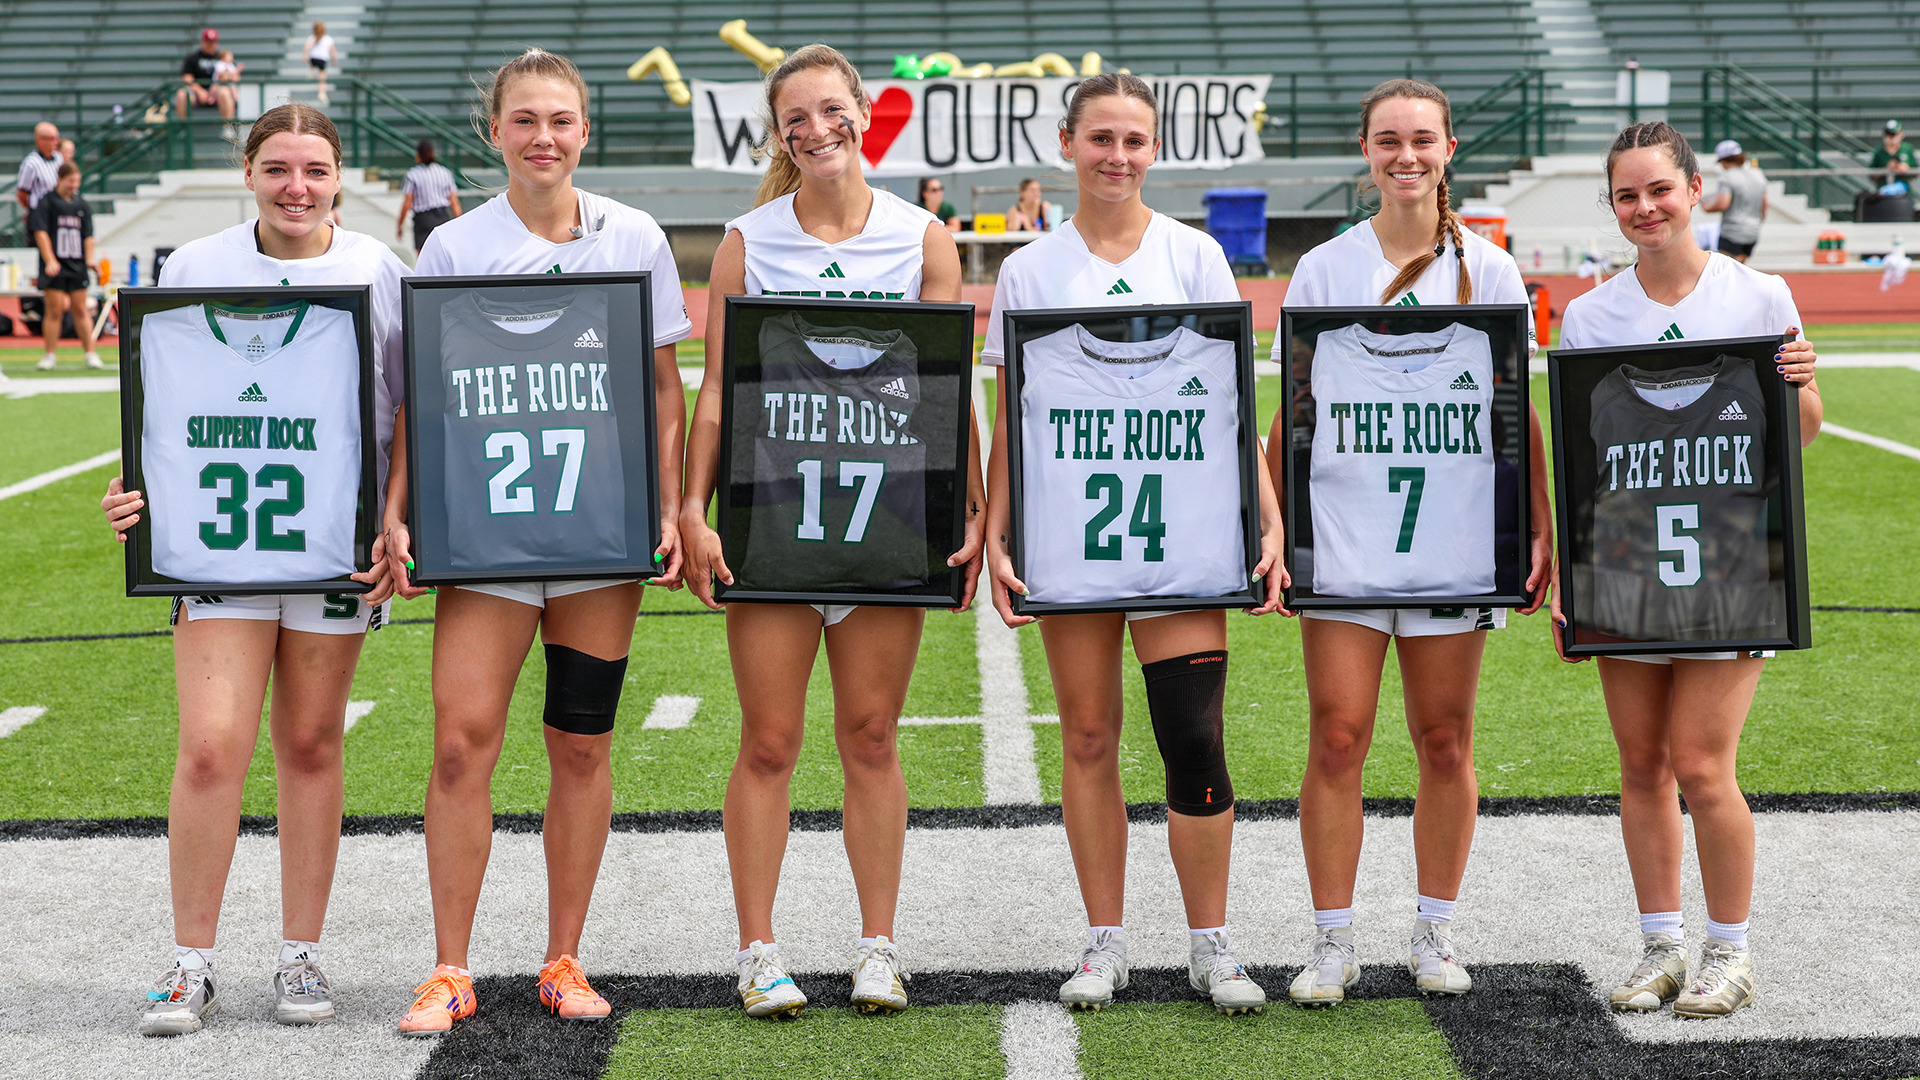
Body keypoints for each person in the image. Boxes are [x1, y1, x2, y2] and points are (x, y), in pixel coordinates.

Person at [381, 47, 692, 1037]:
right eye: (526, 120)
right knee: (462, 741)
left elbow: (659, 391)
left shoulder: (633, 235)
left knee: (582, 742)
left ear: (583, 131)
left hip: (599, 534)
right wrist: (404, 513)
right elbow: (419, 405)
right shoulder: (455, 249)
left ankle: (563, 955)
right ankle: (450, 965)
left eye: (560, 120)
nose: (544, 137)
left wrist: (670, 507)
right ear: (497, 132)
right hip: (489, 536)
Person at [679, 43, 983, 1021]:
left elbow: (949, 395)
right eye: (795, 118)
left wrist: (968, 513)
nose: (817, 130)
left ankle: (877, 949)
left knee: (872, 734)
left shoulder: (922, 240)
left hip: (887, 521)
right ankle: (758, 950)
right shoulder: (748, 241)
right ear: (777, 134)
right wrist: (693, 507)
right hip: (774, 518)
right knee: (769, 740)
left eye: (832, 110)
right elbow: (721, 393)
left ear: (863, 113)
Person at [98, 101, 409, 1036]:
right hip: (219, 549)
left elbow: (410, 421)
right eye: (278, 168)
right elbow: (166, 409)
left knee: (312, 745)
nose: (297, 187)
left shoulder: (380, 272)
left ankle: (300, 954)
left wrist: (395, 524)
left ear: (340, 175)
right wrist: (136, 492)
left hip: (329, 549)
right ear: (248, 171)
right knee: (210, 746)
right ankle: (190, 961)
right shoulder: (194, 267)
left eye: (315, 169)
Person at [981, 73, 1285, 1016]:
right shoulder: (1032, 270)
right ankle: (1105, 937)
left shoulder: (1193, 257)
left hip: (1184, 532)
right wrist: (996, 533)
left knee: (1193, 736)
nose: (1118, 156)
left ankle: (1210, 941)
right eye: (1100, 137)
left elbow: (1233, 408)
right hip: (1073, 535)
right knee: (1088, 735)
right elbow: (1012, 424)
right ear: (1067, 143)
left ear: (1155, 150)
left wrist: (1267, 517)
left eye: (1135, 140)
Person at [1263, 79, 1552, 1007]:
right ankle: (1332, 939)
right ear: (1365, 150)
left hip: (1451, 542)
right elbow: (1290, 416)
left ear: (1450, 149)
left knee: (1444, 738)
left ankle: (1434, 928)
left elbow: (1520, 414)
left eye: (1422, 139)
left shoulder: (1494, 271)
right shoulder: (1324, 268)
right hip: (1346, 536)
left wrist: (1536, 523)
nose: (1406, 156)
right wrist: (1274, 529)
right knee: (1338, 736)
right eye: (1388, 140)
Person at [1554, 120, 1821, 1020]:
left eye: (1659, 190)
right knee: (1640, 768)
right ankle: (1662, 945)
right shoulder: (1591, 316)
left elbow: (1803, 431)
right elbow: (1584, 469)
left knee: (1701, 766)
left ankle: (1730, 952)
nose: (1645, 208)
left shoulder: (1758, 294)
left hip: (1732, 568)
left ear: (1696, 189)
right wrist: (1575, 589)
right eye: (1627, 194)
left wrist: (1801, 381)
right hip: (1627, 569)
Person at [28, 162, 103, 370]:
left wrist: (89, 260)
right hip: (55, 265)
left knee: (80, 308)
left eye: (77, 181)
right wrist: (50, 259)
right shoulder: (47, 202)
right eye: (70, 181)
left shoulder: (81, 205)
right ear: (60, 179)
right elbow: (41, 233)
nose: (73, 185)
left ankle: (90, 353)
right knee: (54, 310)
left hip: (76, 264)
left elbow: (88, 236)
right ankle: (50, 355)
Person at [1703, 140, 1767, 264]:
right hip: (1753, 231)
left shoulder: (1726, 177)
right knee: (1740, 269)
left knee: (1727, 271)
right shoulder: (1758, 174)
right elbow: (1765, 203)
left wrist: (1707, 207)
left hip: (1732, 232)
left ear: (1723, 160)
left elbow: (1723, 203)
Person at [396, 138, 463, 253]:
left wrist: (399, 225)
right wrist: (460, 223)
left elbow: (407, 202)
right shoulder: (444, 172)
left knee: (422, 257)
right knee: (443, 255)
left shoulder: (413, 175)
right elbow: (454, 202)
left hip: (423, 219)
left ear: (418, 155)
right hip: (442, 217)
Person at [177, 29, 238, 137]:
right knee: (182, 94)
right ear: (202, 42)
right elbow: (187, 77)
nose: (210, 45)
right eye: (208, 42)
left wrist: (225, 78)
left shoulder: (222, 58)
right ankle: (184, 128)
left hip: (217, 92)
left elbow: (234, 76)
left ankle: (228, 127)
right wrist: (199, 91)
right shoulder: (193, 58)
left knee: (224, 91)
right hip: (198, 93)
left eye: (213, 42)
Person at [16, 121, 62, 212]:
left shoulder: (59, 158)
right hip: (40, 212)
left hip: (56, 211)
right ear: (40, 141)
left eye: (57, 138)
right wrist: (34, 210)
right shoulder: (31, 163)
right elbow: (22, 193)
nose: (57, 142)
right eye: (52, 139)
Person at [1870, 119, 1917, 191]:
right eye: (1888, 134)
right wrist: (1887, 169)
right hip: (1883, 190)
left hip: (1903, 192)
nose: (1891, 137)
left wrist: (1906, 169)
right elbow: (1872, 175)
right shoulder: (1879, 152)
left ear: (1901, 134)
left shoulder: (1907, 149)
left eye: (1894, 134)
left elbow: (1915, 171)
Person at [304, 23, 336, 107]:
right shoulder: (328, 39)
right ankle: (322, 93)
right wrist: (333, 59)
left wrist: (305, 56)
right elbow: (332, 50)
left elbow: (307, 48)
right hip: (322, 59)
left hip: (313, 59)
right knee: (322, 77)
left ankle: (312, 71)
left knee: (313, 65)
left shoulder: (311, 38)